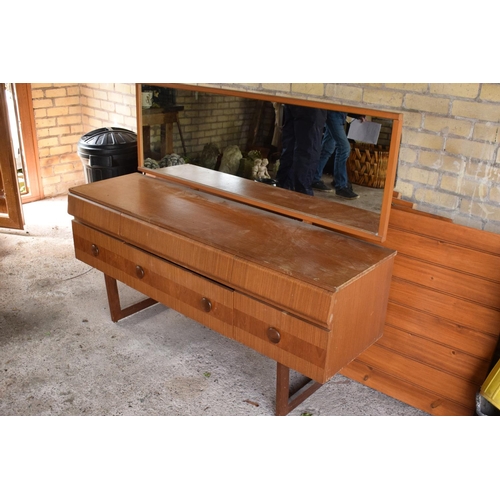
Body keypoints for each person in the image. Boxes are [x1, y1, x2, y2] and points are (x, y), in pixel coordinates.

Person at [311, 110, 364, 199]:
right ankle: (341, 186)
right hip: (334, 113)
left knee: (327, 148)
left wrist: (357, 114)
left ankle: (314, 178)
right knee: (344, 148)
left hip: (339, 115)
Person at [276, 104, 327, 196]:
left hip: (294, 100)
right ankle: (302, 195)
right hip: (313, 104)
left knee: (290, 146)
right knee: (308, 150)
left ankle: (283, 190)